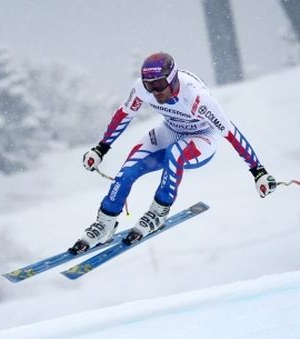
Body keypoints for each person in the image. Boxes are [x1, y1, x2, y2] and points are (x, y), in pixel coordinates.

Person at [69, 52, 277, 254]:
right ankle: (105, 223)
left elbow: (232, 134)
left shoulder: (197, 98)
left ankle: (158, 212)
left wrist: (258, 171)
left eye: (159, 84)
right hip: (171, 130)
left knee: (174, 153)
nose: (155, 91)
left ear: (173, 78)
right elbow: (124, 115)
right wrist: (101, 148)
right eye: (149, 86)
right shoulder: (142, 89)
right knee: (128, 170)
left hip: (202, 137)